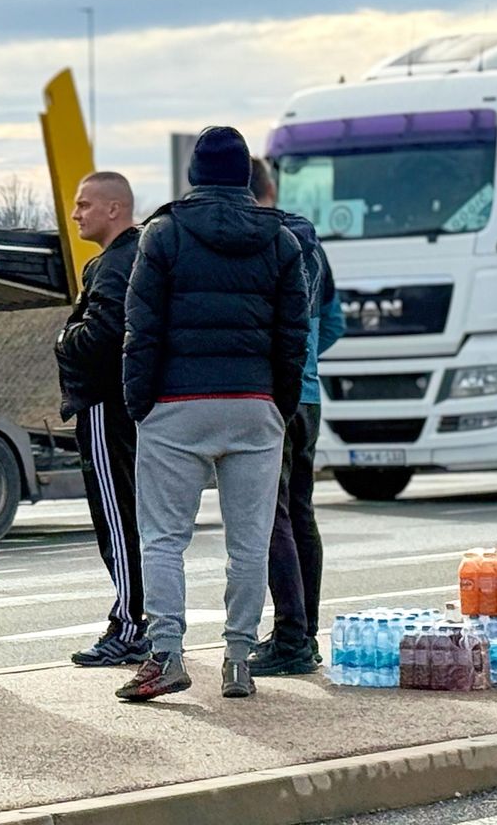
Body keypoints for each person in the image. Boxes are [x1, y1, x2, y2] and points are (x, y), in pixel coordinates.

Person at [117, 127, 308, 703]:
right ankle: (239, 660)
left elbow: (141, 328)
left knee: (163, 539)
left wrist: (140, 405)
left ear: (194, 175)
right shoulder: (282, 241)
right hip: (254, 405)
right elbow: (293, 335)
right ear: (246, 177)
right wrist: (278, 403)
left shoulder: (164, 233)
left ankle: (167, 655)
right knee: (248, 543)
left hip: (177, 405)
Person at [246, 157, 345, 677]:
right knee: (300, 513)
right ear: (270, 187)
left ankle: (289, 639)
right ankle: (304, 632)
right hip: (309, 397)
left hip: (272, 394)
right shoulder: (311, 242)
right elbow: (335, 322)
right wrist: (306, 362)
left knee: (271, 517)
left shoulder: (262, 242)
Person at [55, 171, 148, 666]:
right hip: (137, 403)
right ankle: (148, 620)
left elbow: (101, 336)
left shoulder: (111, 265)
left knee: (116, 516)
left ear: (115, 209)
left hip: (104, 406)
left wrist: (63, 339)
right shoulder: (145, 255)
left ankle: (131, 626)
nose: (75, 215)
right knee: (143, 518)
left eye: (84, 205)